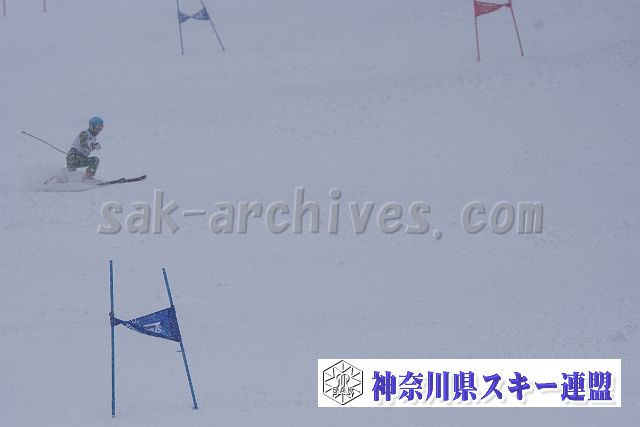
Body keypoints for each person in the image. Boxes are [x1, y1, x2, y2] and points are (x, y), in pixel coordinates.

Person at [67, 116, 104, 182]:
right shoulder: (84, 133)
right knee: (94, 160)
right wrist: (92, 145)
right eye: (98, 127)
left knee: (95, 160)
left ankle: (86, 178)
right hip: (74, 156)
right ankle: (85, 179)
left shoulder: (93, 138)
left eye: (101, 127)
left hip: (81, 158)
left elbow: (87, 147)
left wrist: (93, 147)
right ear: (92, 126)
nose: (99, 130)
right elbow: (84, 142)